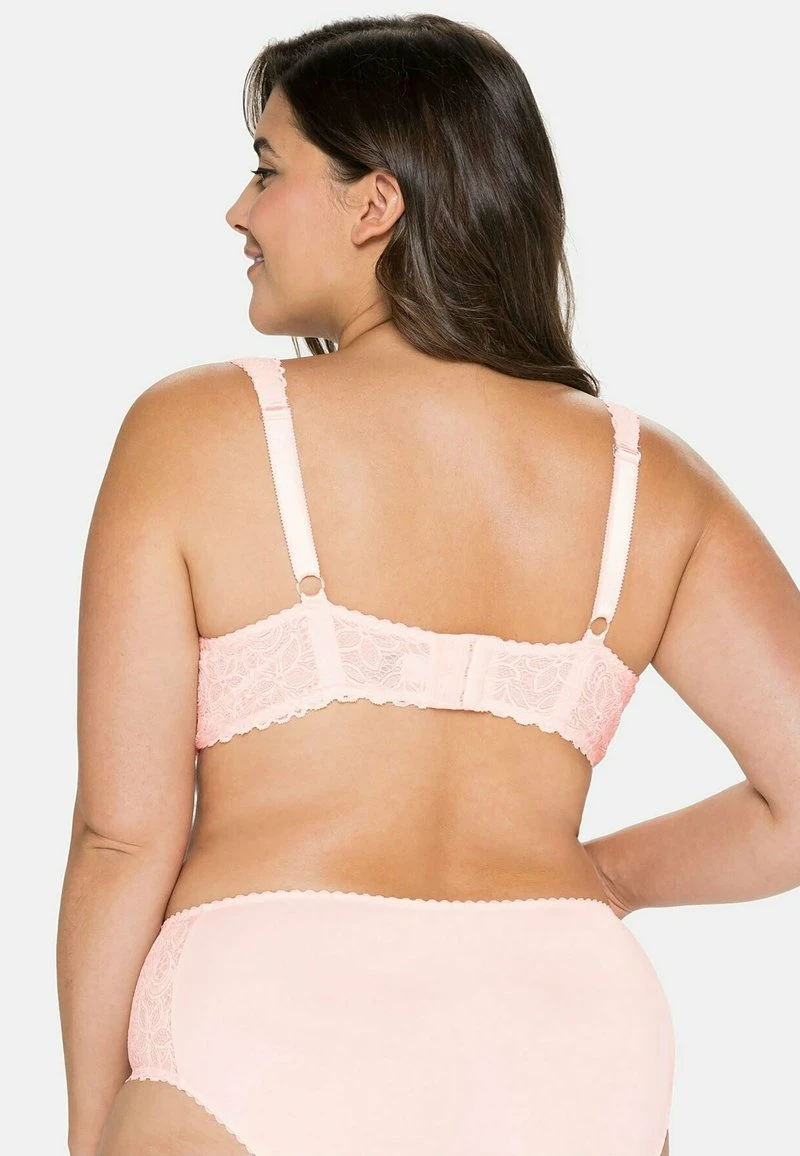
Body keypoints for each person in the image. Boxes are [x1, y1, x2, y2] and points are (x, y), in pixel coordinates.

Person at [57, 14, 800, 1156]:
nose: (239, 211)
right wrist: (599, 879)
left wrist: (89, 1125)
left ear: (376, 204)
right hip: (571, 1028)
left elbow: (120, 839)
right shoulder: (651, 479)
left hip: (267, 1002)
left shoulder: (193, 429)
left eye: (268, 170)